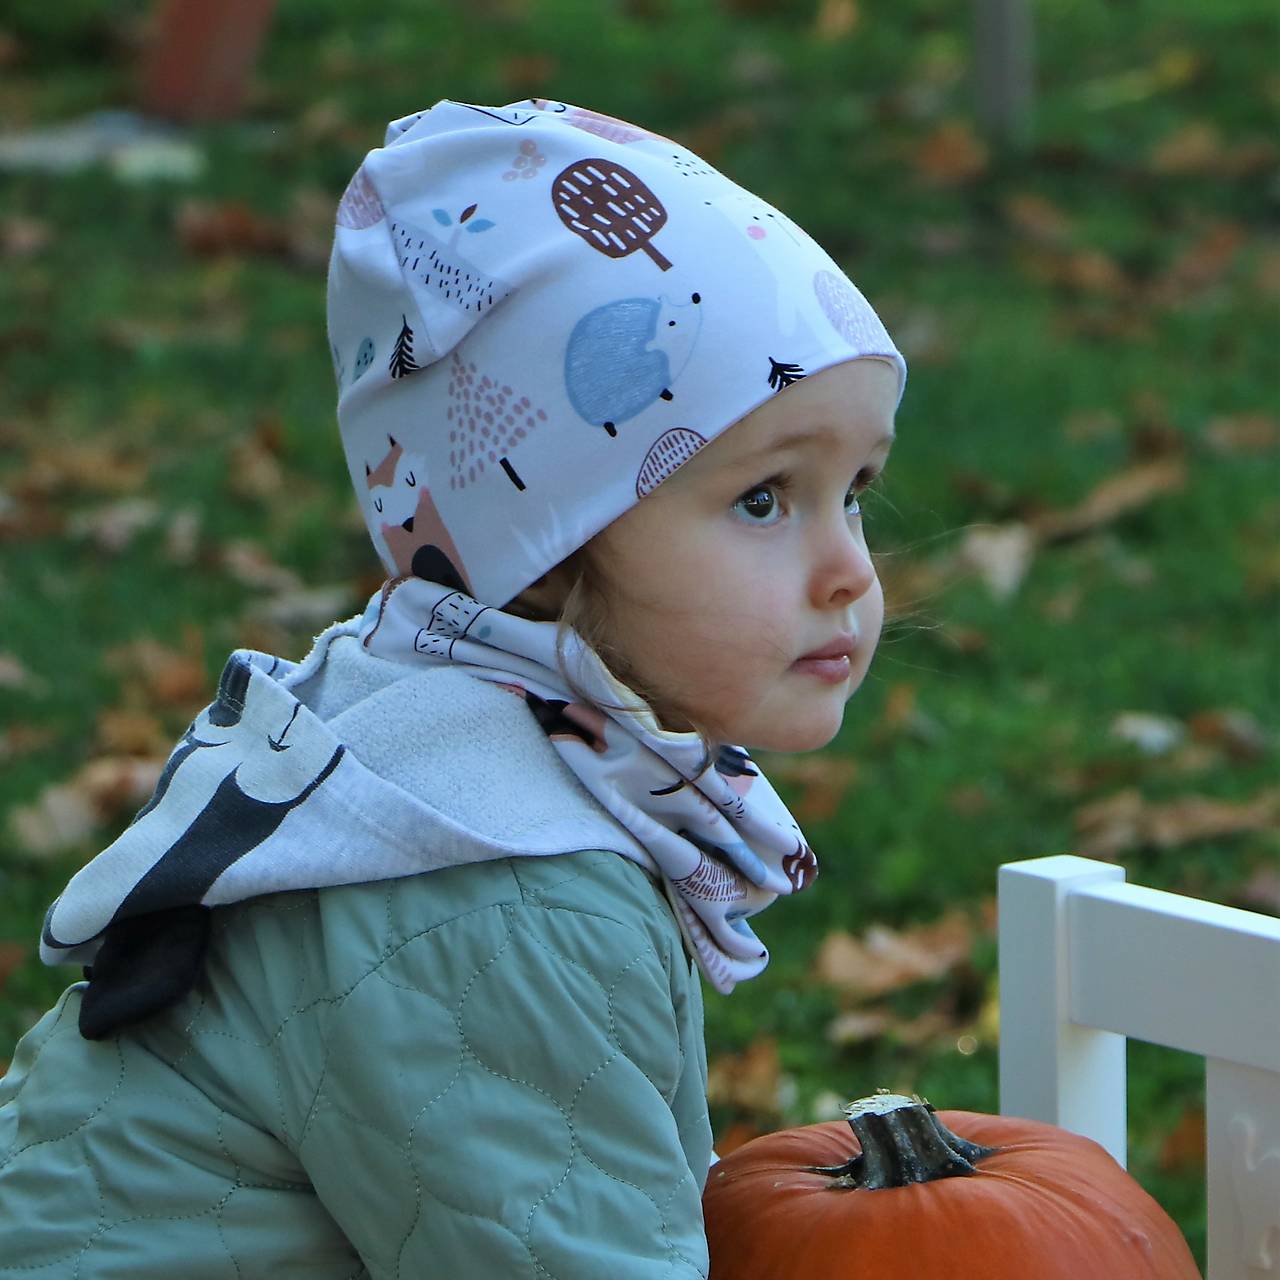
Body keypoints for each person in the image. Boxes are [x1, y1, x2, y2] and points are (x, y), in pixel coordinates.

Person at [0, 98, 905, 1277]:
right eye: (761, 498)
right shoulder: (495, 882)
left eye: (858, 490)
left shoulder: (435, 735)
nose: (849, 570)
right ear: (548, 545)